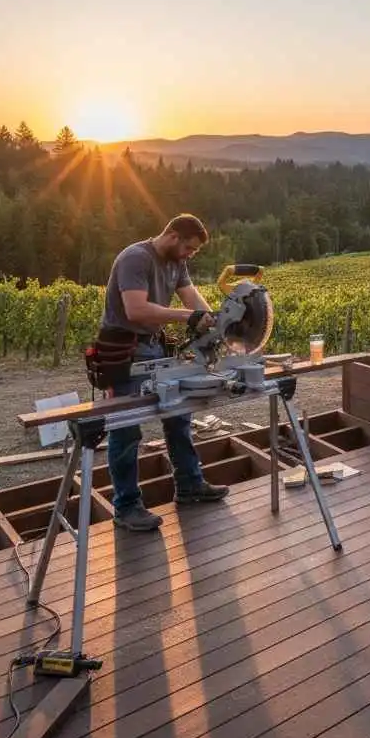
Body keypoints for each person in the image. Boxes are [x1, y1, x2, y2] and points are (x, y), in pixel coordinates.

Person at [97, 214, 230, 531]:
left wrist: (214, 319)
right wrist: (190, 317)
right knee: (126, 429)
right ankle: (126, 507)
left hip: (155, 346)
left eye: (194, 251)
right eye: (188, 247)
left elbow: (190, 296)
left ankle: (189, 485)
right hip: (124, 351)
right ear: (172, 235)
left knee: (178, 414)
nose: (190, 254)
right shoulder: (135, 258)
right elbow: (136, 310)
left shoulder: (176, 261)